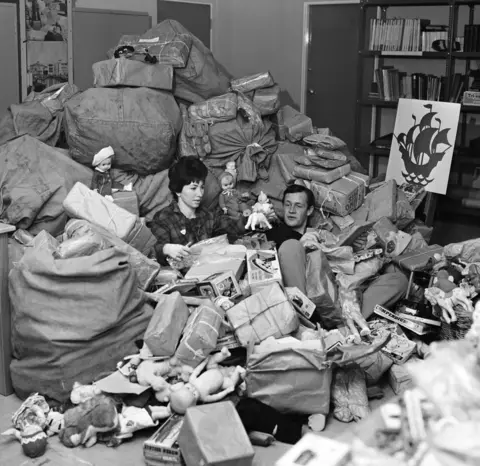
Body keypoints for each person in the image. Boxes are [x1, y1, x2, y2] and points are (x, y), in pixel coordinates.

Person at [266, 184, 408, 319]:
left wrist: (354, 247)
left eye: (298, 206)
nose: (291, 210)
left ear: (309, 210)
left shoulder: (323, 233)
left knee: (398, 279)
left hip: (341, 291)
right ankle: (309, 316)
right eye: (287, 204)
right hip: (309, 296)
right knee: (291, 247)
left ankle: (349, 321)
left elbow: (343, 264)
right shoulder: (274, 233)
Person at [150, 157, 245, 265]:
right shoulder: (163, 218)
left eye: (202, 187)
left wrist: (252, 218)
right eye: (193, 188)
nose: (200, 194)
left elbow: (234, 226)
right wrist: (165, 249)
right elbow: (153, 252)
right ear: (178, 190)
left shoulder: (208, 216)